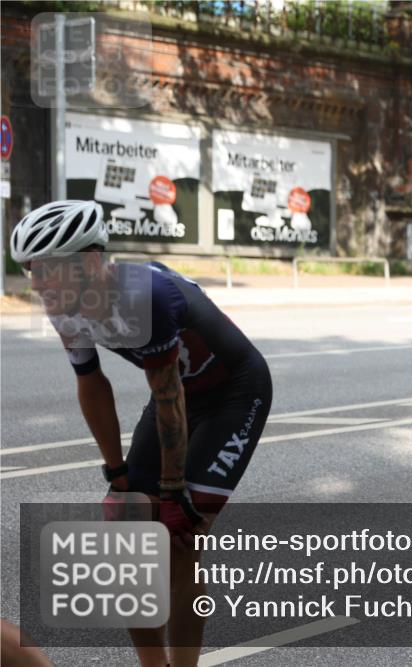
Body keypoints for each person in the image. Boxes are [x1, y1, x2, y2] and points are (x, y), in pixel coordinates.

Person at [10, 200, 273, 667]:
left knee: (177, 539)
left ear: (89, 262)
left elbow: (170, 398)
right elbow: (92, 386)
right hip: (176, 393)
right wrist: (118, 475)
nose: (36, 284)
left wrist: (173, 492)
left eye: (47, 269)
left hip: (234, 392)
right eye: (31, 270)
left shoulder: (142, 295)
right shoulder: (64, 303)